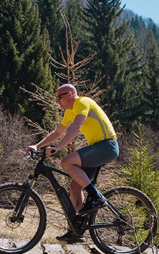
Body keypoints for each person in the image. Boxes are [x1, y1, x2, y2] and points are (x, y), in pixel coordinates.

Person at [27, 84, 119, 243]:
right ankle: (77, 230)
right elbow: (57, 132)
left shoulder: (83, 102)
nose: (57, 102)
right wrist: (37, 145)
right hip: (97, 147)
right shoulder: (70, 112)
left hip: (107, 146)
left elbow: (76, 128)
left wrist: (58, 148)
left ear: (69, 94)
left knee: (67, 162)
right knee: (75, 187)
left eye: (59, 97)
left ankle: (97, 197)